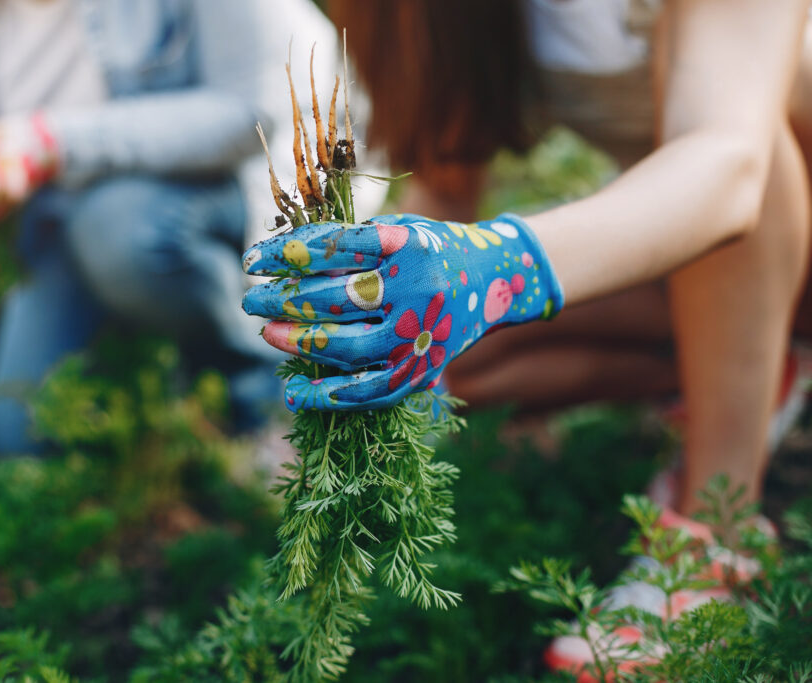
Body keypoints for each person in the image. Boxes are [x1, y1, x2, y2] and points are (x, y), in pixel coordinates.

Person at [242, 0, 812, 676]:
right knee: (459, 364)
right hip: (719, 273)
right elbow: (443, 184)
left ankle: (720, 523)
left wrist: (497, 265)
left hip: (750, 207)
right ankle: (752, 372)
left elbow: (730, 166)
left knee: (747, 128)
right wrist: (382, 321)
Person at [0, 0, 344, 453]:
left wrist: (51, 140)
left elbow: (255, 110)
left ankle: (262, 394)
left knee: (126, 233)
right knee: (21, 438)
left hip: (232, 191)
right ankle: (148, 409)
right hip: (57, 223)